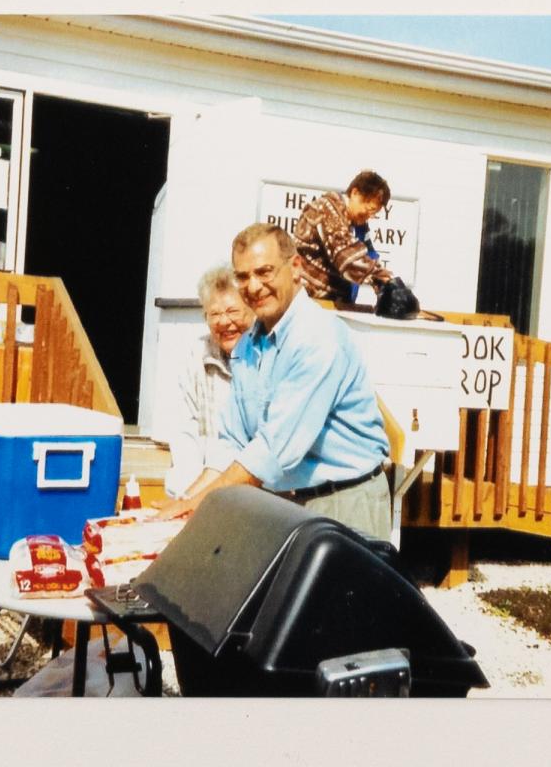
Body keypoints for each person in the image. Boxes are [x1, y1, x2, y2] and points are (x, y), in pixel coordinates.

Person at [154, 223, 392, 540]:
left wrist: (198, 505)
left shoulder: (316, 338)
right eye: (243, 276)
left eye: (264, 272)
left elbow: (275, 451)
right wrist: (182, 504)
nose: (253, 286)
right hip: (289, 502)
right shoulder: (249, 345)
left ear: (295, 268)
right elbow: (233, 444)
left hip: (345, 504)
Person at [163, 264, 254, 498]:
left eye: (233, 311)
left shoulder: (263, 358)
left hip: (253, 492)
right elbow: (184, 435)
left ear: (252, 311)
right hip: (202, 489)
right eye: (215, 314)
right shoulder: (196, 355)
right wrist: (188, 497)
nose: (224, 322)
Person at [293, 169, 396, 303]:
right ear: (355, 193)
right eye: (369, 210)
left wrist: (382, 286)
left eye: (374, 213)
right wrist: (385, 280)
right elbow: (346, 256)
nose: (369, 217)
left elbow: (369, 254)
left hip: (333, 301)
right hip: (309, 300)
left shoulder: (358, 224)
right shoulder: (326, 209)